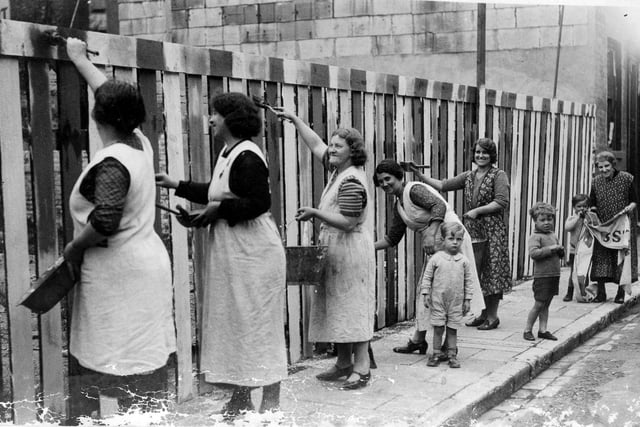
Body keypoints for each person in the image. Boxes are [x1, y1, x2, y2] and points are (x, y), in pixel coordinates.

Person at [62, 39, 176, 421]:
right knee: (141, 360)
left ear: (98, 117)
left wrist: (74, 248)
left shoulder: (113, 162)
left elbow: (105, 220)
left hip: (118, 272)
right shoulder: (139, 144)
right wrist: (79, 59)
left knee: (106, 359)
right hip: (146, 264)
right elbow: (108, 93)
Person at [156, 93, 287, 416]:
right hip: (235, 252)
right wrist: (177, 185)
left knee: (259, 324)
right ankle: (241, 398)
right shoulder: (228, 153)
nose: (211, 119)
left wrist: (216, 211)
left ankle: (270, 401)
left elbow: (259, 203)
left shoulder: (248, 156)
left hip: (254, 252)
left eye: (215, 114)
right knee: (238, 324)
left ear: (231, 119)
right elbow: (217, 192)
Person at [275, 107, 375, 390]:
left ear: (352, 151)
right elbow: (316, 144)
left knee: (353, 308)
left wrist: (315, 213)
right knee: (337, 307)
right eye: (331, 144)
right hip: (337, 249)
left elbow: (348, 220)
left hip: (350, 249)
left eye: (338, 146)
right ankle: (343, 364)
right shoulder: (337, 171)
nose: (331, 149)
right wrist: (295, 120)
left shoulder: (352, 178)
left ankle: (362, 368)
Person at [373, 159, 483, 357]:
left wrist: (431, 233)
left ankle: (448, 347)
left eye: (388, 179)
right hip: (437, 244)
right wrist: (368, 248)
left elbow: (438, 206)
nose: (384, 184)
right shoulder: (399, 204)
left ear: (399, 176)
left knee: (445, 291)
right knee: (427, 291)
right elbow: (393, 238)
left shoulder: (413, 190)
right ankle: (419, 340)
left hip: (451, 239)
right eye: (380, 181)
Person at [413, 138, 512, 330]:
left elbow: (501, 202)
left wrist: (478, 211)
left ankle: (492, 316)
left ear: (492, 155)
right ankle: (482, 313)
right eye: (477, 152)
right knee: (476, 270)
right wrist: (419, 174)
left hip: (493, 230)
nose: (480, 156)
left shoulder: (499, 175)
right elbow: (442, 185)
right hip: (473, 230)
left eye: (485, 152)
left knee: (492, 271)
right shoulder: (469, 176)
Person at [421, 222, 473, 368]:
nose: (455, 242)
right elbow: (427, 277)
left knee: (452, 328)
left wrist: (467, 299)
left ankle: (452, 355)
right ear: (443, 240)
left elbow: (469, 281)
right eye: (451, 239)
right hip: (438, 300)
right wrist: (426, 293)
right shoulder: (436, 259)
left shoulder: (464, 261)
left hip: (456, 301)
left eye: (458, 239)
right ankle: (436, 353)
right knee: (438, 327)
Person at [588, 151, 638, 304]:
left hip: (621, 225)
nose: (603, 170)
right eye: (600, 167)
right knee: (600, 257)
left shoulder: (626, 179)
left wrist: (630, 207)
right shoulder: (596, 182)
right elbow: (592, 201)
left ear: (613, 165)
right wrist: (593, 211)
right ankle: (601, 293)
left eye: (606, 166)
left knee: (621, 257)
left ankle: (620, 292)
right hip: (604, 226)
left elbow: (634, 201)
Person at [523, 202, 563, 341]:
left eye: (549, 219)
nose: (546, 223)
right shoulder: (536, 237)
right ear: (535, 221)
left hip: (554, 274)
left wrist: (560, 250)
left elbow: (559, 255)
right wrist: (552, 249)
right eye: (542, 220)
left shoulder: (553, 235)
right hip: (542, 276)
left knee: (547, 304)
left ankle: (543, 329)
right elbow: (534, 253)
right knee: (539, 303)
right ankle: (527, 329)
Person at [563, 194, 589, 301]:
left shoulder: (589, 218)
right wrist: (578, 218)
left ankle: (584, 291)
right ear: (574, 207)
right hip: (575, 250)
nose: (582, 208)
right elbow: (567, 228)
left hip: (586, 250)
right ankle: (570, 292)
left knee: (584, 272)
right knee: (573, 272)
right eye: (579, 206)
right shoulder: (572, 218)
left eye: (585, 206)